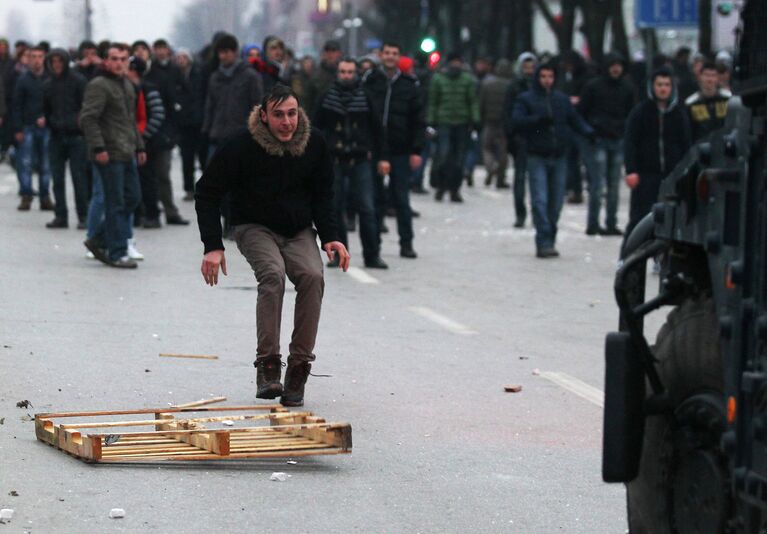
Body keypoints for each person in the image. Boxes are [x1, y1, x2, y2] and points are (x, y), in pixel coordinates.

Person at [195, 84, 349, 407]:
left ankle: (298, 369)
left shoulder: (314, 143)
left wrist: (333, 235)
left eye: (292, 114)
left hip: (298, 229)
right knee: (273, 276)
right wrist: (213, 245)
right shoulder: (241, 144)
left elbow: (324, 194)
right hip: (253, 225)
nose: (287, 122)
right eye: (278, 115)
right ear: (264, 116)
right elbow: (207, 192)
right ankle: (268, 365)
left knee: (312, 276)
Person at [512, 63, 594, 258]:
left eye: (550, 76)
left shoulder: (561, 100)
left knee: (556, 202)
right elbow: (517, 121)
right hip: (537, 155)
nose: (547, 80)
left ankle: (551, 236)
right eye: (543, 76)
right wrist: (537, 120)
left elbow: (574, 119)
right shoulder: (526, 99)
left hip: (559, 156)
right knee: (540, 200)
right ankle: (543, 240)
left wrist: (589, 132)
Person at [315, 58, 387, 269]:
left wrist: (383, 156)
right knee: (335, 208)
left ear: (356, 73)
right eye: (343, 72)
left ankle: (372, 254)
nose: (346, 76)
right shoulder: (327, 96)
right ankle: (339, 253)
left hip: (360, 158)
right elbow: (316, 127)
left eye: (350, 72)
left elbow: (377, 128)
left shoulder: (366, 96)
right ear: (338, 73)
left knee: (366, 208)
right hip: (334, 159)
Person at [80, 42, 147, 269]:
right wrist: (98, 148)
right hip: (109, 154)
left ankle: (98, 238)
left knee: (133, 198)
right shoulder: (99, 85)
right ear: (106, 61)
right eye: (114, 59)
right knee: (115, 203)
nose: (119, 63)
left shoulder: (127, 85)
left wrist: (139, 147)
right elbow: (88, 118)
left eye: (123, 59)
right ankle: (117, 252)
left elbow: (129, 121)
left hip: (127, 151)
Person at [363, 42, 424, 260]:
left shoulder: (409, 84)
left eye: (394, 53)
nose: (390, 57)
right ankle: (374, 245)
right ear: (381, 55)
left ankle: (406, 243)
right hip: (375, 149)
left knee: (401, 198)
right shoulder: (370, 80)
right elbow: (363, 115)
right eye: (387, 53)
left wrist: (416, 150)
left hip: (401, 149)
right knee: (375, 198)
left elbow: (418, 120)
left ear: (399, 57)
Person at [623, 67, 691, 253]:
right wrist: (631, 170)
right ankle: (627, 257)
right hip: (646, 175)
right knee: (639, 219)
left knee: (671, 218)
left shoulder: (678, 113)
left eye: (667, 85)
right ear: (652, 87)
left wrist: (685, 171)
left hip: (671, 176)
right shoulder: (641, 111)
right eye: (659, 84)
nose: (663, 89)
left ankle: (663, 256)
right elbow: (630, 142)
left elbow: (686, 145)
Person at [202, 33, 263, 238]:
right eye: (220, 52)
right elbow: (210, 105)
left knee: (238, 184)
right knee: (215, 183)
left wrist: (256, 132)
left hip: (241, 135)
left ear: (235, 53)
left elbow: (257, 105)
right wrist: (207, 130)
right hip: (218, 135)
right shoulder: (215, 77)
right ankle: (220, 221)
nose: (223, 56)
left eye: (227, 52)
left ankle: (234, 222)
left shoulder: (250, 76)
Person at [578, 52, 636, 236]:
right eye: (613, 64)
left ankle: (610, 223)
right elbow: (582, 113)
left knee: (613, 185)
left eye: (619, 65)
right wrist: (590, 133)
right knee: (598, 185)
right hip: (598, 140)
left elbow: (631, 114)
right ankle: (593, 223)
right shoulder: (593, 87)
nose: (616, 68)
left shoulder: (627, 88)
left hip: (617, 139)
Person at [42, 48, 89, 229]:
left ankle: (83, 215)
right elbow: (45, 109)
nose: (57, 65)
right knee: (58, 179)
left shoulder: (78, 81)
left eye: (59, 61)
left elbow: (85, 105)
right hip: (56, 136)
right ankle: (60, 215)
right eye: (53, 62)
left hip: (76, 137)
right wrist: (50, 123)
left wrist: (78, 123)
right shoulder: (47, 85)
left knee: (79, 179)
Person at [427, 52, 480, 203]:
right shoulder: (438, 79)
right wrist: (431, 121)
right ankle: (441, 185)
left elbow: (472, 101)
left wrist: (475, 120)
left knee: (459, 158)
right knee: (443, 155)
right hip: (444, 122)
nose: (456, 65)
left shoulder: (467, 80)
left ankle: (454, 188)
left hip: (462, 123)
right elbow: (433, 102)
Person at [11, 45, 53, 211]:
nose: (36, 60)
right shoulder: (23, 79)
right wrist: (17, 128)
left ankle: (45, 196)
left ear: (44, 58)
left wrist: (48, 118)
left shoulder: (50, 78)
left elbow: (55, 103)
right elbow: (16, 105)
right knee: (25, 162)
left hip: (47, 127)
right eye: (33, 56)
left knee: (45, 164)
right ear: (28, 59)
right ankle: (26, 195)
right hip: (27, 126)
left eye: (39, 57)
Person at [126, 55, 164, 231]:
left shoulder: (148, 89)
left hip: (147, 142)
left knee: (148, 180)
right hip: (133, 141)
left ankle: (152, 214)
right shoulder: (128, 88)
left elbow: (157, 115)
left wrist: (143, 137)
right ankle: (137, 214)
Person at [504, 51, 537, 228]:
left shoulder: (541, 87)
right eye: (526, 67)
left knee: (535, 180)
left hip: (537, 140)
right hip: (521, 139)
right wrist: (511, 136)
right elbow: (508, 114)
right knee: (520, 178)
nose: (529, 70)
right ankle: (520, 213)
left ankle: (535, 213)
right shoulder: (514, 87)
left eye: (532, 67)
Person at [174, 48, 206, 201]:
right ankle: (188, 188)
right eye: (178, 57)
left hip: (199, 122)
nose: (181, 60)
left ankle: (205, 188)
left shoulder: (199, 74)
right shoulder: (175, 76)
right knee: (187, 159)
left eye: (183, 57)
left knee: (203, 158)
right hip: (183, 124)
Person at [479, 58, 513, 189]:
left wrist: (480, 118)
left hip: (489, 120)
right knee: (503, 151)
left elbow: (481, 102)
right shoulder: (511, 85)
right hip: (504, 123)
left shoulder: (487, 83)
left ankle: (491, 167)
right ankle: (500, 176)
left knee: (487, 147)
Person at [685, 61, 731, 142]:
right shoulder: (691, 103)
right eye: (706, 75)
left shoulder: (727, 99)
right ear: (700, 77)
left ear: (717, 78)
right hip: (700, 147)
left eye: (713, 75)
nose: (710, 79)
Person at [304, 40, 342, 117]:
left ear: (339, 53)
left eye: (333, 50)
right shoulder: (316, 75)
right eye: (327, 51)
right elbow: (309, 101)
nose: (330, 54)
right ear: (324, 53)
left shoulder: (344, 72)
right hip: (320, 118)